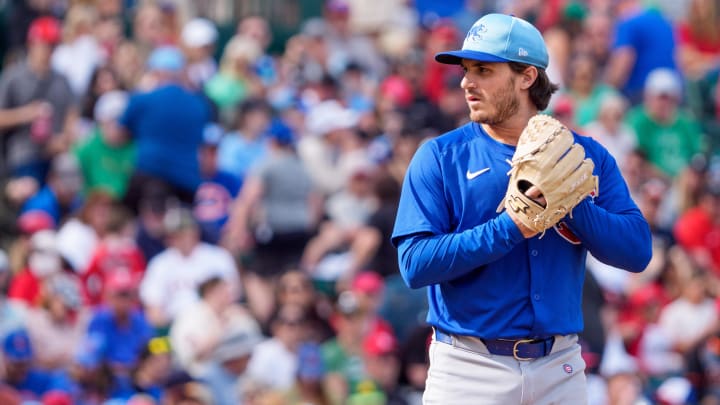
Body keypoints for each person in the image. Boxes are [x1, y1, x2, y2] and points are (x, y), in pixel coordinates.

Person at [391, 13, 652, 404]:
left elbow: (636, 251)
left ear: (527, 76)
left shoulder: (584, 157)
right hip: (469, 366)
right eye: (466, 70)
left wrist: (572, 206)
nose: (466, 82)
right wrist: (511, 226)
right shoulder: (441, 156)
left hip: (559, 366)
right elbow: (414, 264)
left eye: (483, 70)